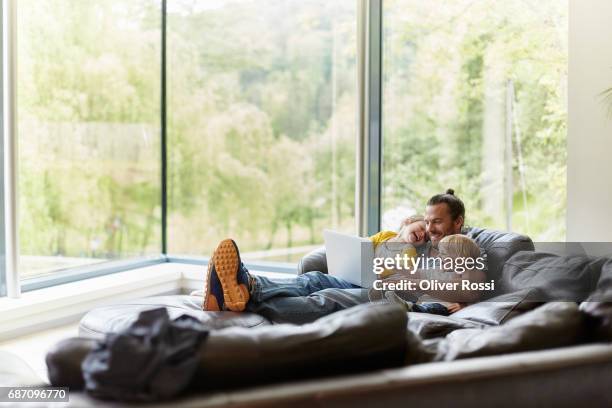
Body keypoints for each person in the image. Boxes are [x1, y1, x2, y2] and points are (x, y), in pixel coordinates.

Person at [202, 189, 487, 323]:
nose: (429, 227)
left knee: (329, 300)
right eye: (427, 220)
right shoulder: (424, 242)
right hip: (381, 286)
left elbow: (472, 285)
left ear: (458, 221)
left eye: (436, 221)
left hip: (408, 302)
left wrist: (445, 293)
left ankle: (241, 298)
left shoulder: (462, 245)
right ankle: (247, 285)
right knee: (315, 278)